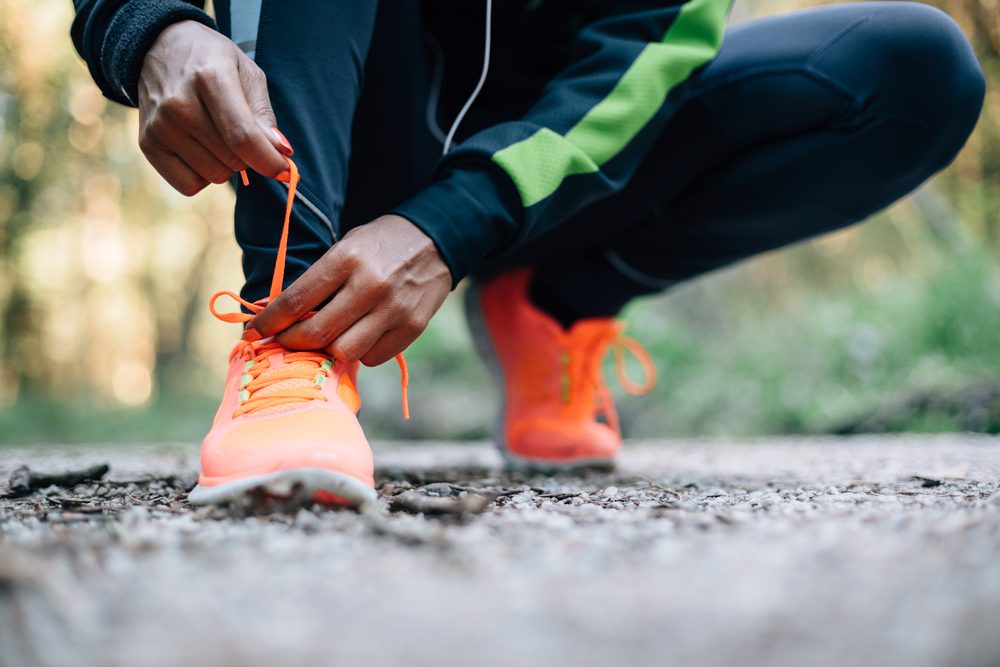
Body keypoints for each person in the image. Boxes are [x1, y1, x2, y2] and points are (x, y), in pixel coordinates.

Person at [71, 0, 984, 506]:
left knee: (915, 72)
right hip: (339, 137)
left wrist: (455, 222)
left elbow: (650, 53)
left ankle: (552, 298)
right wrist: (147, 24)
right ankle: (293, 341)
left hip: (548, 173)